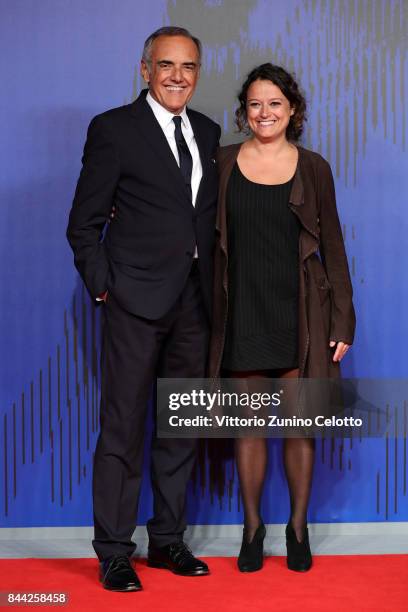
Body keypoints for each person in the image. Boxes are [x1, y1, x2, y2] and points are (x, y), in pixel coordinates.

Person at [67, 26, 220, 591]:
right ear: (144, 69)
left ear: (198, 72)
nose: (178, 76)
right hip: (134, 302)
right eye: (166, 65)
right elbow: (83, 223)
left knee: (181, 427)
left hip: (195, 303)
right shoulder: (113, 129)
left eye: (188, 66)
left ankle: (168, 542)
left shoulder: (206, 129)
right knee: (123, 428)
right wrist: (107, 287)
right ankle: (112, 551)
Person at [208, 63, 356, 573]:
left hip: (301, 314)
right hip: (242, 308)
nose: (264, 112)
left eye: (274, 103)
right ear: (244, 111)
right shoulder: (222, 161)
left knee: (298, 428)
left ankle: (297, 528)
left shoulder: (313, 166)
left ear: (292, 109)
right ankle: (252, 529)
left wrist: (343, 320)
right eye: (255, 103)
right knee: (248, 430)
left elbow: (332, 246)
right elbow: (187, 223)